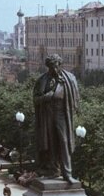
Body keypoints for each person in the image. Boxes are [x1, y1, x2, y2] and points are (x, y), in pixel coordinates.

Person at [33, 53, 80, 183]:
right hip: (47, 115)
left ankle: (67, 173)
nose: (54, 69)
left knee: (64, 142)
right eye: (51, 66)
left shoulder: (69, 79)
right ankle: (54, 170)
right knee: (51, 143)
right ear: (48, 67)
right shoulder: (42, 80)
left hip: (62, 114)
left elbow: (75, 98)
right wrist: (48, 96)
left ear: (60, 64)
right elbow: (36, 99)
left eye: (56, 65)